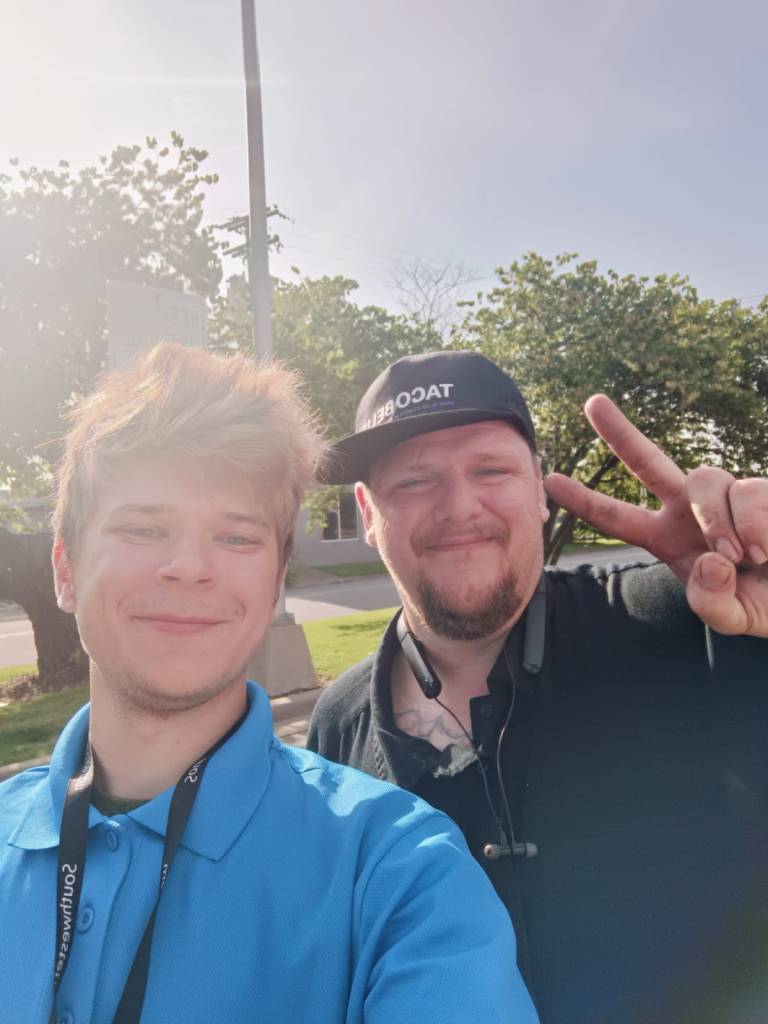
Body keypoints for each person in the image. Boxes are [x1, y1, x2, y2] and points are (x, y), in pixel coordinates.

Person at [0, 343, 539, 1024]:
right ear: (66, 570)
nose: (189, 566)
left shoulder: (399, 871)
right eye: (142, 527)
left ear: (276, 580)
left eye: (236, 538)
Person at [307, 349, 768, 1024]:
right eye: (414, 480)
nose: (458, 507)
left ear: (538, 488)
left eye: (490, 470)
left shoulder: (697, 622)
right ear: (367, 513)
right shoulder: (336, 726)